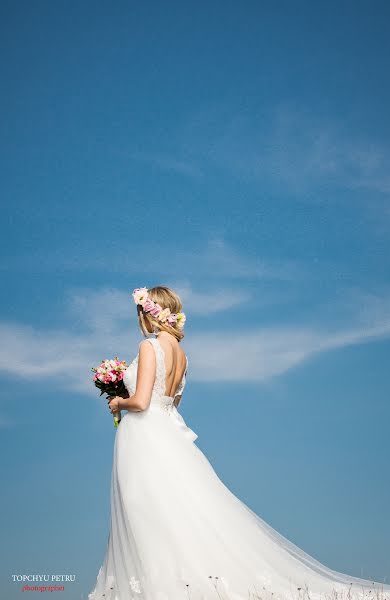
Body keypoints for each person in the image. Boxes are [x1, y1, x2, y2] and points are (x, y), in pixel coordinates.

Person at [88, 285, 389, 600]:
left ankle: (161, 584)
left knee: (146, 510)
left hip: (146, 437)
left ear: (148, 313)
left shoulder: (149, 347)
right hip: (167, 434)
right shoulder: (182, 356)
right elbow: (171, 404)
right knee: (173, 507)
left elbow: (142, 401)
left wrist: (118, 403)